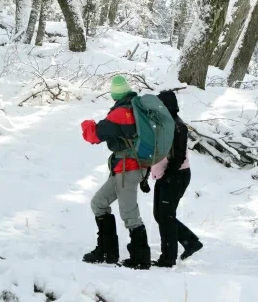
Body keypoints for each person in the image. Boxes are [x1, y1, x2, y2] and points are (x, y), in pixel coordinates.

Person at [80, 75, 150, 269]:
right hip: (128, 167)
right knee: (99, 203)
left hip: (129, 168)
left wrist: (85, 123)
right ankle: (106, 252)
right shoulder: (137, 109)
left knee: (130, 214)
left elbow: (94, 135)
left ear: (115, 95)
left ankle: (140, 259)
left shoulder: (121, 113)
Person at [148, 90, 203, 267]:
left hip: (176, 175)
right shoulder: (164, 123)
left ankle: (168, 258)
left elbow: (178, 157)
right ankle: (190, 241)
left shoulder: (177, 126)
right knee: (160, 215)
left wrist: (168, 176)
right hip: (167, 175)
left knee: (166, 216)